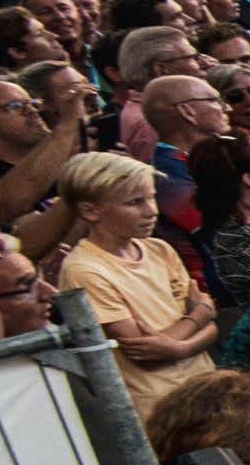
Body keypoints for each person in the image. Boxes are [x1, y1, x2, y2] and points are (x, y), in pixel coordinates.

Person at [49, 152, 224, 418]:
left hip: (207, 389)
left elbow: (212, 324)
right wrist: (197, 317)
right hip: (162, 409)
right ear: (90, 210)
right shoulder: (84, 270)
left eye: (151, 197)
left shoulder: (159, 249)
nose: (151, 210)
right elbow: (144, 349)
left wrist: (183, 341)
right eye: (135, 202)